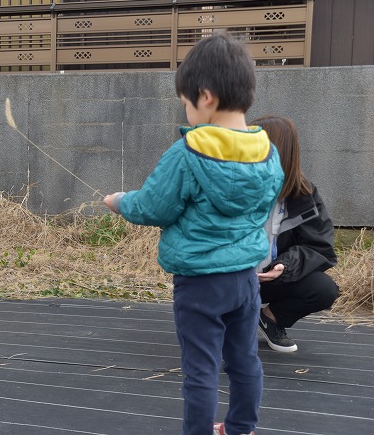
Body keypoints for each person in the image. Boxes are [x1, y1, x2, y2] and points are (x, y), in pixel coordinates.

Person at [104, 32, 284, 435]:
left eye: (185, 103)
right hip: (245, 281)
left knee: (200, 370)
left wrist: (118, 201)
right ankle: (239, 428)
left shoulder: (188, 153)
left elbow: (153, 206)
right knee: (244, 362)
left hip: (200, 284)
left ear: (205, 97)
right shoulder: (268, 153)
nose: (185, 111)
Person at [252, 115, 339, 353]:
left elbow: (320, 248)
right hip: (231, 277)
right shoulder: (232, 186)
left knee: (323, 289)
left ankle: (270, 318)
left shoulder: (304, 195)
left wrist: (283, 266)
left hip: (271, 279)